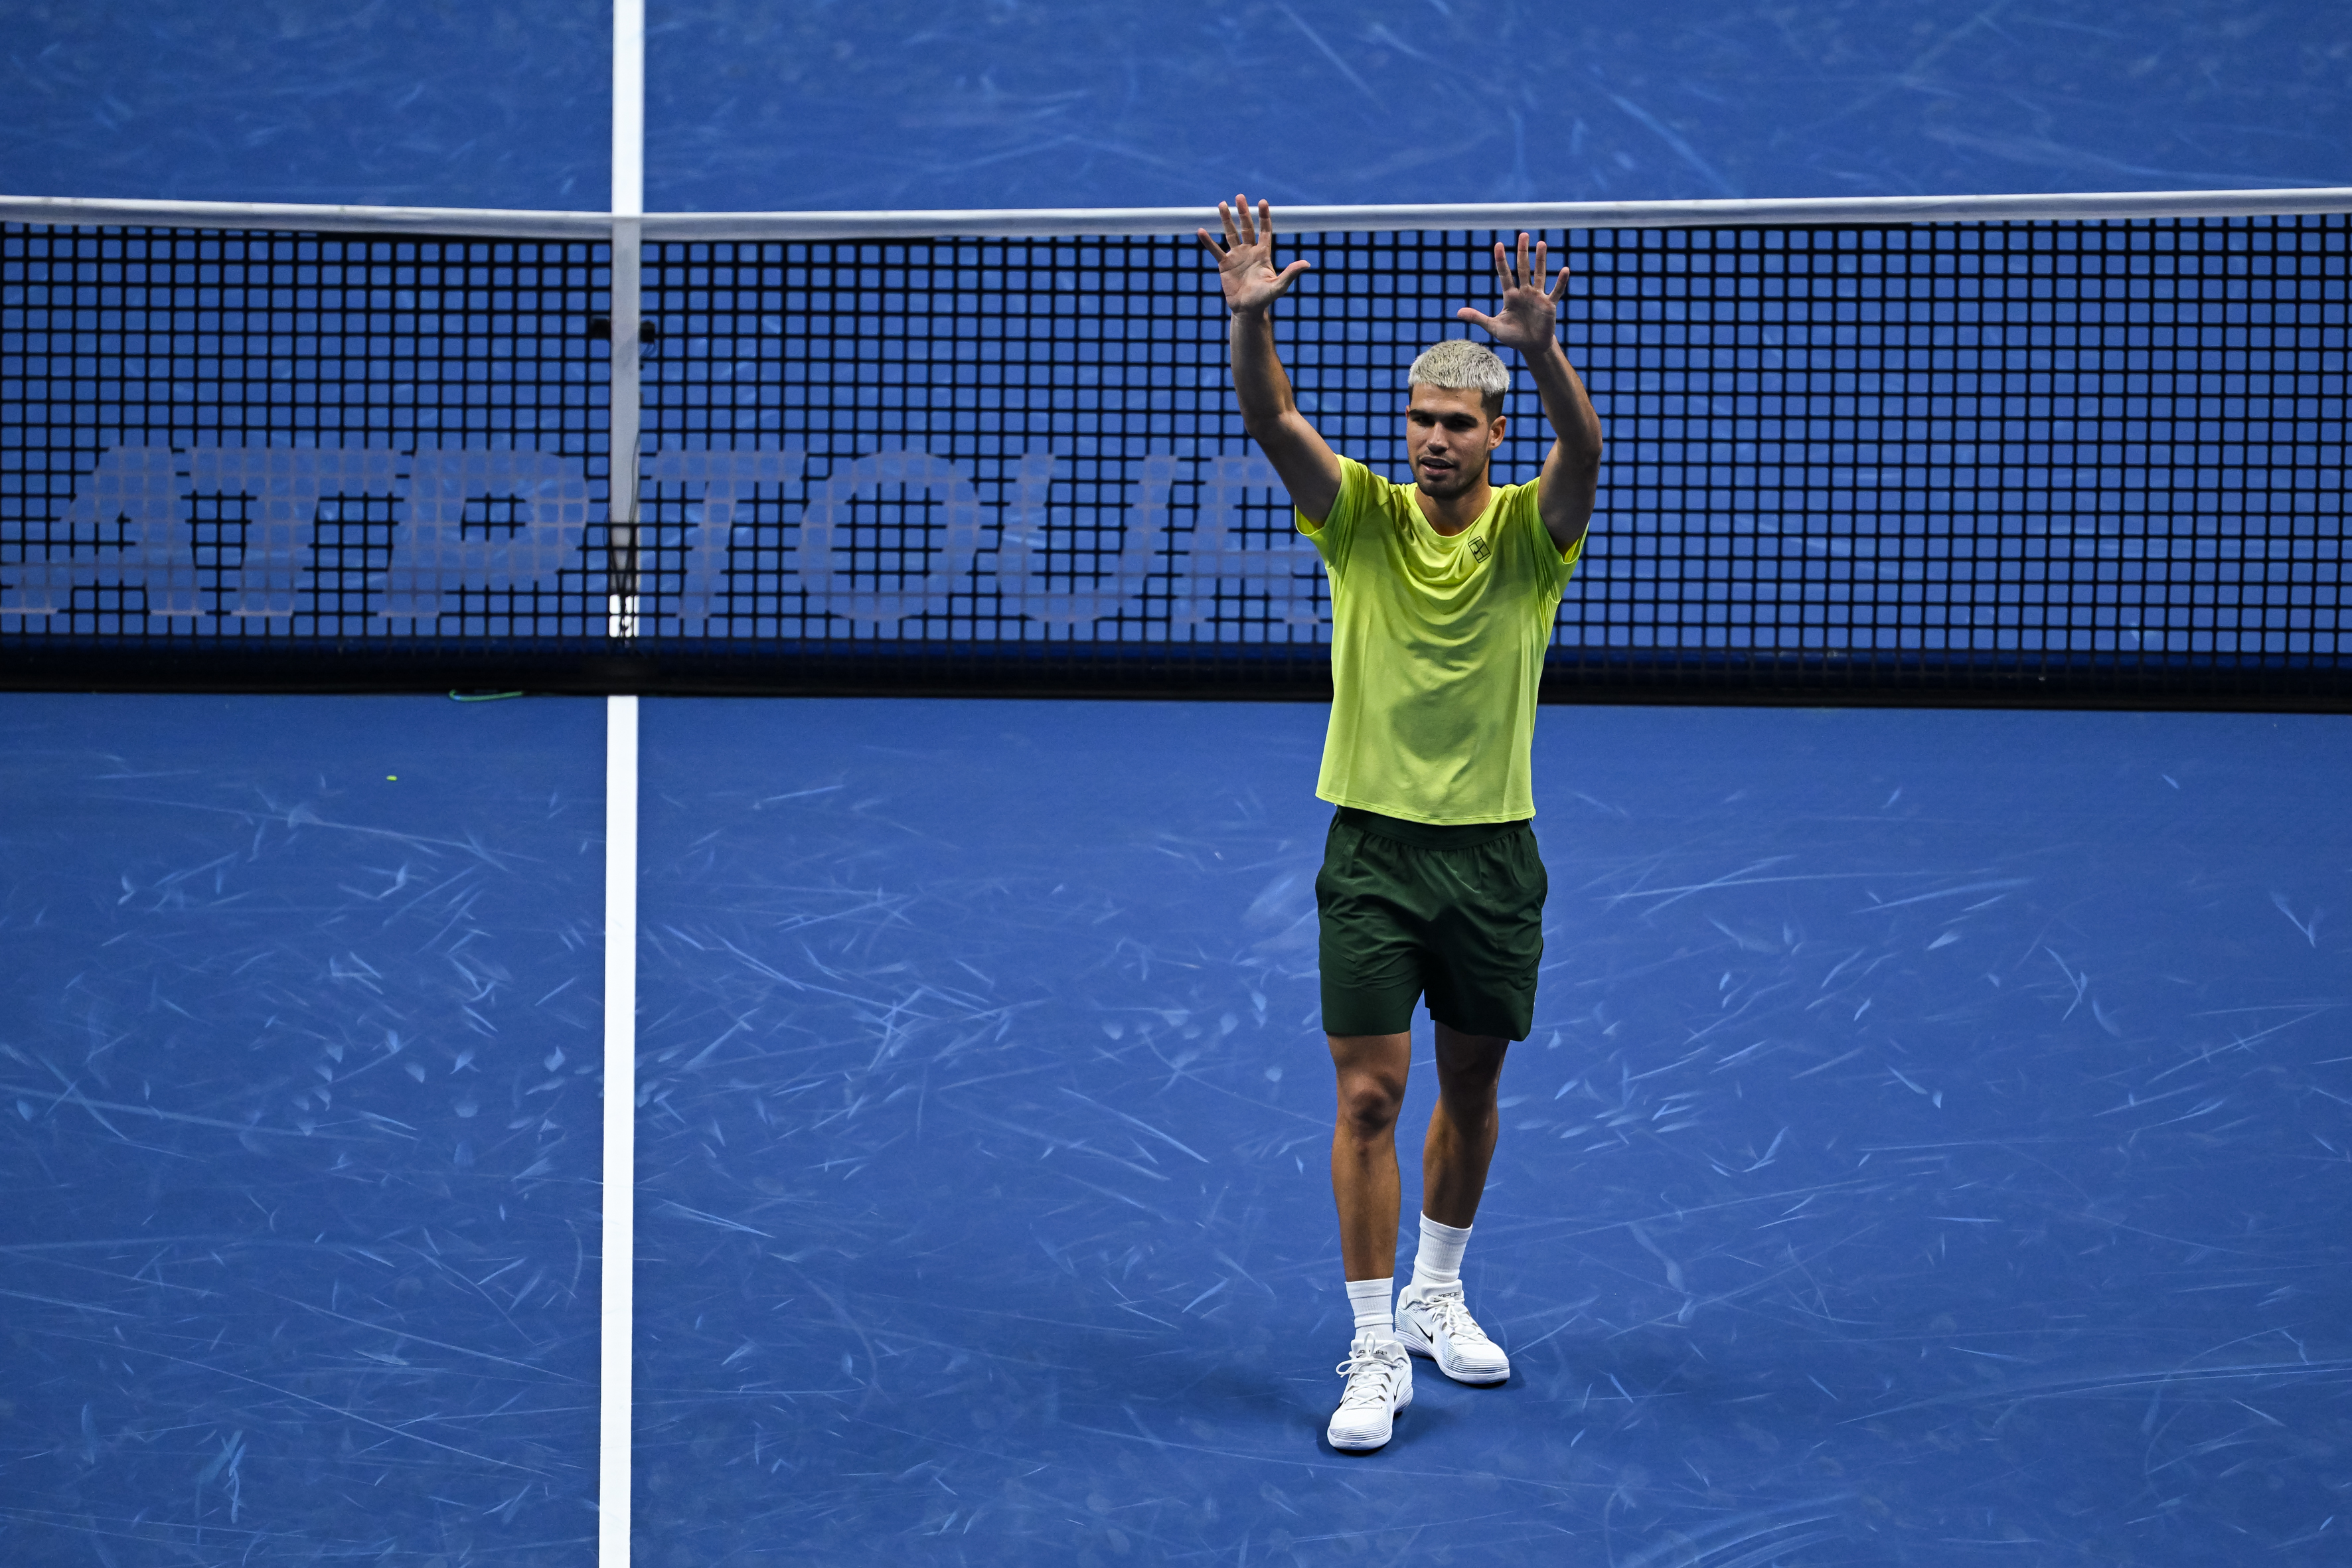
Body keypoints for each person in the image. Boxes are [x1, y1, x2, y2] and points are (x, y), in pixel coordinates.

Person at [1196, 196, 1605, 1452]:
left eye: (1453, 423)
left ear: (1492, 433)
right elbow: (1269, 419)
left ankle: (1438, 1292)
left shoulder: (1532, 540)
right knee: (1370, 1096)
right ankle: (1374, 1340)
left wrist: (1540, 352)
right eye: (1417, 421)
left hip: (1493, 856)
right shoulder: (1359, 518)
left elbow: (1583, 456)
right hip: (1370, 853)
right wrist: (1250, 324)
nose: (1430, 440)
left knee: (1471, 1086)